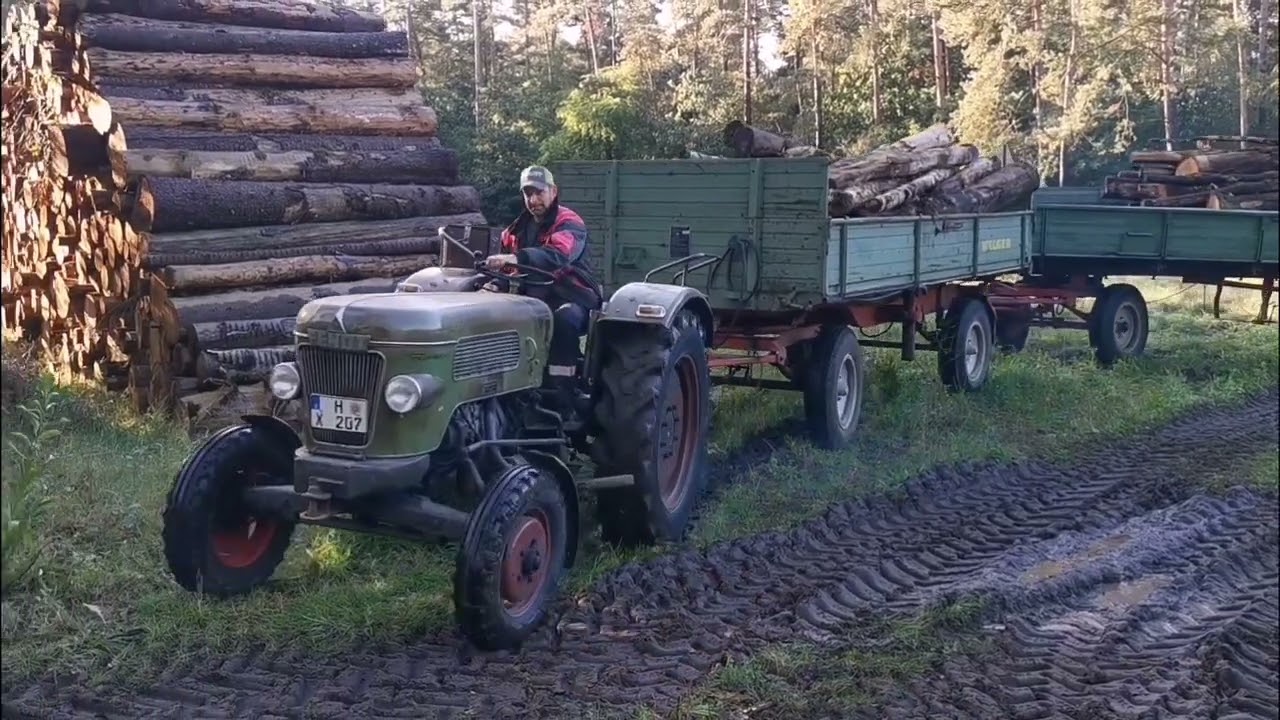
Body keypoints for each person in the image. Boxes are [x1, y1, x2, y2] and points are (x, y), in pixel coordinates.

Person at [484, 165, 604, 402]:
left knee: (563, 320)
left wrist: (518, 258)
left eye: (539, 192)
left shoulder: (569, 222)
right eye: (528, 193)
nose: (533, 199)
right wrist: (495, 284)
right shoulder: (513, 232)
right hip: (532, 298)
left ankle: (561, 392)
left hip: (572, 296)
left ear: (553, 191)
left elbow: (558, 254)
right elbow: (505, 269)